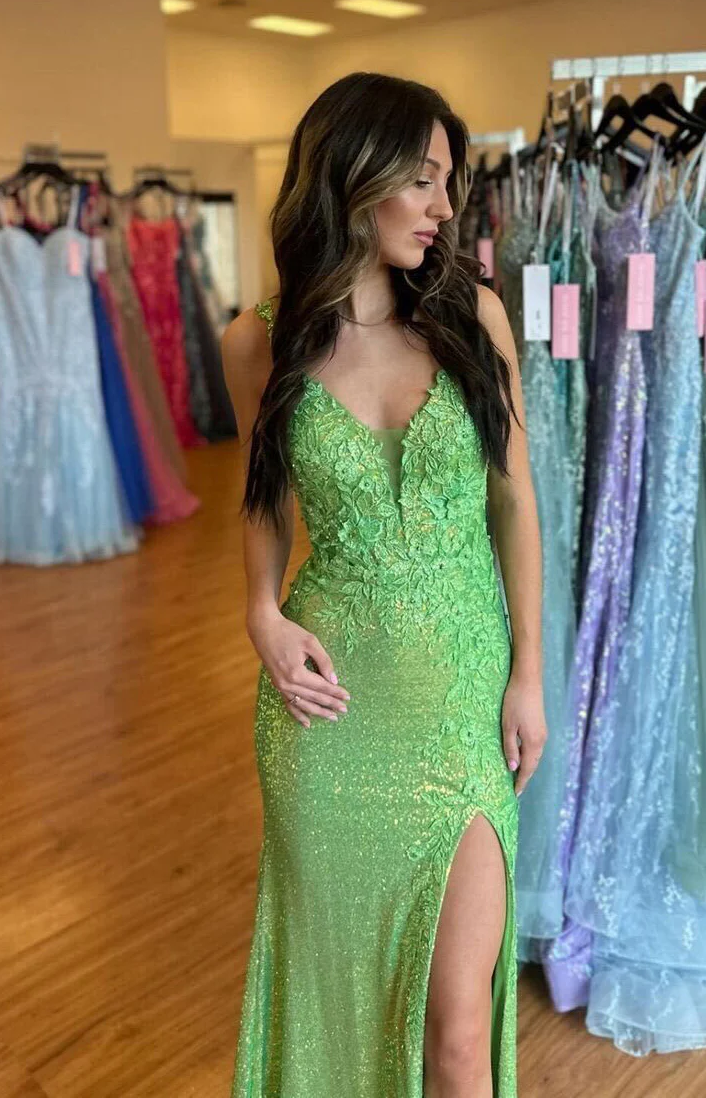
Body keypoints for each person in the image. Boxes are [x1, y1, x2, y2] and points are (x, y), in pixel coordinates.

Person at [221, 72, 545, 1098]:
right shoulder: (257, 340)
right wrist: (261, 613)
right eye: (424, 180)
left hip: (459, 699)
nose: (446, 206)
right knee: (340, 995)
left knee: (459, 1031)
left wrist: (528, 674)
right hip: (329, 708)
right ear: (355, 177)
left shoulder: (473, 316)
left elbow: (515, 503)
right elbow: (262, 503)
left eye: (449, 181)